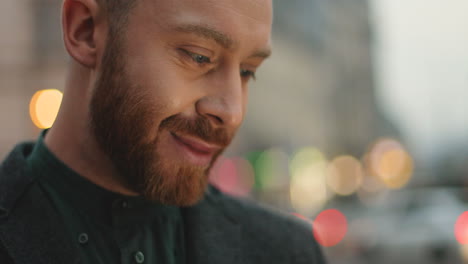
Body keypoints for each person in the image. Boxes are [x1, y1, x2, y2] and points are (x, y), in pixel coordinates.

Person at [0, 0, 326, 263]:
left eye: (247, 72)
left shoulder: (288, 252)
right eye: (198, 56)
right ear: (84, 31)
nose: (232, 111)